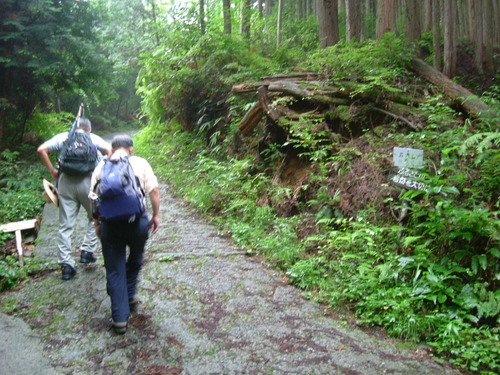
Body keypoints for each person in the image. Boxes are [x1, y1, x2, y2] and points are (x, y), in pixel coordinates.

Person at [89, 134, 160, 334]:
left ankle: (119, 319)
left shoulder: (101, 166)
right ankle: (129, 294)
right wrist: (156, 216)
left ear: (113, 149)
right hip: (137, 223)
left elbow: (93, 198)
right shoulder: (140, 162)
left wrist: (97, 223)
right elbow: (154, 191)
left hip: (110, 225)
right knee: (136, 258)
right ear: (131, 148)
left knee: (114, 268)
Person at [37, 117, 112, 280]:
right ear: (89, 129)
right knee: (95, 217)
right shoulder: (93, 138)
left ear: (74, 127)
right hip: (89, 182)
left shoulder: (64, 137)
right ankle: (87, 251)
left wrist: (52, 171)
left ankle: (66, 265)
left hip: (65, 182)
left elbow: (41, 150)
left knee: (65, 224)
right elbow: (110, 150)